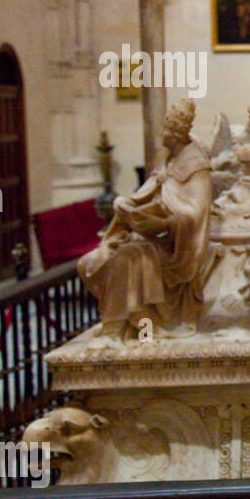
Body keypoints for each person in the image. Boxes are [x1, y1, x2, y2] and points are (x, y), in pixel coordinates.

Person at [78, 99, 213, 342]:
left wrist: (162, 224)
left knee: (130, 258)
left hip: (177, 250)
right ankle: (130, 324)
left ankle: (118, 328)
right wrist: (128, 208)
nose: (163, 135)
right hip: (151, 240)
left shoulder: (196, 167)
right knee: (95, 260)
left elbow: (195, 215)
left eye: (167, 131)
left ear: (178, 134)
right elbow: (146, 196)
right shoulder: (167, 163)